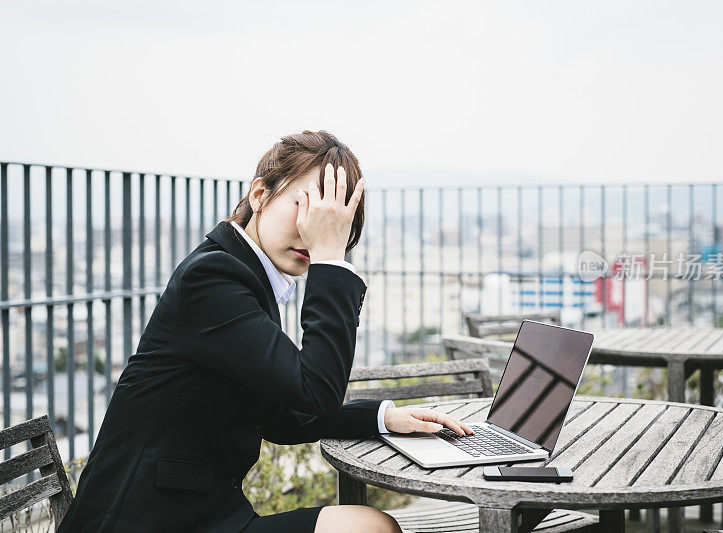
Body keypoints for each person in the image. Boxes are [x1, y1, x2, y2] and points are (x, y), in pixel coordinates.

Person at [57, 130, 473, 532]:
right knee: (368, 528)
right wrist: (330, 260)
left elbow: (278, 417)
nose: (317, 230)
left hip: (207, 514)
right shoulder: (213, 277)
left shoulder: (245, 276)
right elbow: (316, 393)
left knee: (369, 525)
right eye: (308, 207)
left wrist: (384, 417)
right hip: (145, 521)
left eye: (334, 222)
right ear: (260, 195)